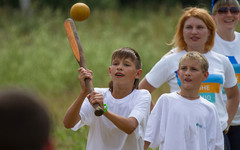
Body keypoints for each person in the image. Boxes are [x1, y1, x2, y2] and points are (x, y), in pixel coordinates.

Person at [139, 7, 239, 149]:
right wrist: (162, 115)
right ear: (182, 32)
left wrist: (226, 122)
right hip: (178, 134)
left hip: (214, 134)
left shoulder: (222, 61)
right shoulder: (170, 60)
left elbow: (234, 95)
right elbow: (142, 91)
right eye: (189, 27)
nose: (194, 32)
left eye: (199, 27)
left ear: (210, 31)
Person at [63, 47, 151, 150]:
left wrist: (104, 110)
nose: (119, 67)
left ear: (138, 74)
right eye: (115, 64)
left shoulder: (142, 96)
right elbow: (68, 123)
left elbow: (130, 126)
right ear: (110, 71)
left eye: (126, 64)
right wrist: (83, 93)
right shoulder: (96, 94)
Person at [144, 51, 224, 150]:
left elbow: (217, 146)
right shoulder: (166, 101)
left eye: (194, 69)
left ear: (205, 75)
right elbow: (147, 139)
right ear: (178, 73)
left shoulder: (210, 109)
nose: (187, 73)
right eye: (183, 68)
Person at [211, 0, 240, 149]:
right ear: (213, 16)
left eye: (234, 10)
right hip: (216, 122)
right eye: (222, 10)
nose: (229, 14)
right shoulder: (207, 43)